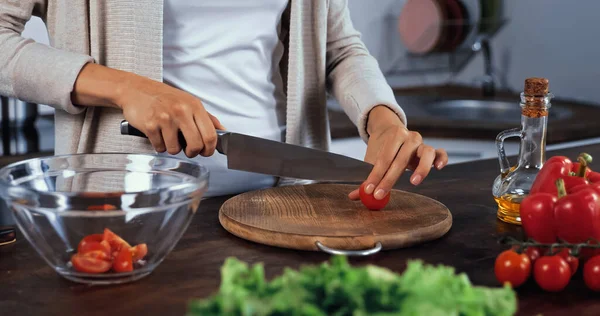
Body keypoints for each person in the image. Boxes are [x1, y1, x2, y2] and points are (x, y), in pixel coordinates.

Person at [0, 0, 448, 198]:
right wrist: (124, 86)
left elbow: (340, 47)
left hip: (286, 204)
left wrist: (382, 116)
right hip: (128, 209)